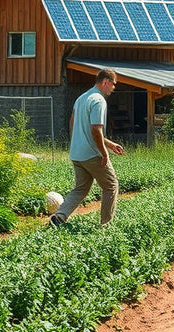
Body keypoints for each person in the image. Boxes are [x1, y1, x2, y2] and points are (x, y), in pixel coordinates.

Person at [50, 68, 125, 227]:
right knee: (111, 186)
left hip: (77, 154)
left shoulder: (82, 98)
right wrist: (104, 153)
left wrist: (110, 145)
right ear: (106, 82)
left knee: (81, 189)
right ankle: (106, 225)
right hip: (92, 155)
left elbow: (73, 122)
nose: (113, 88)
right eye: (113, 84)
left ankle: (59, 217)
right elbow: (95, 129)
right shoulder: (98, 100)